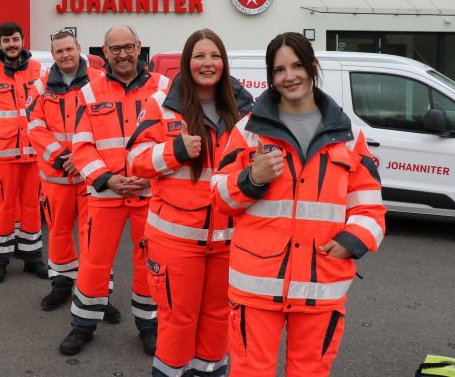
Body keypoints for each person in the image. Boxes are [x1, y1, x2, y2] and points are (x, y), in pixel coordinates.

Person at [210, 32, 386, 377]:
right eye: (279, 70)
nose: (289, 76)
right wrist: (252, 179)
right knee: (249, 372)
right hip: (256, 285)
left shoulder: (349, 134)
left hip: (322, 281)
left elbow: (370, 206)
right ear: (270, 78)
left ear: (313, 67)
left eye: (297, 65)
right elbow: (218, 197)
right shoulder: (249, 131)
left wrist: (353, 242)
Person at [127, 29, 252, 377]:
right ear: (187, 62)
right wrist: (174, 152)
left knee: (217, 320)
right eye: (199, 56)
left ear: (224, 63)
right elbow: (134, 159)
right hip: (177, 243)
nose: (207, 63)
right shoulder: (162, 105)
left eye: (214, 56)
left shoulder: (245, 110)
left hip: (228, 242)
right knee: (178, 321)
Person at [59, 25, 170, 356]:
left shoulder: (164, 88)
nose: (122, 54)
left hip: (149, 194)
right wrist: (107, 178)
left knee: (150, 262)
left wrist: (152, 176)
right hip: (106, 195)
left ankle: (149, 326)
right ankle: (83, 327)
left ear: (139, 47)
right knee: (94, 262)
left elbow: (174, 140)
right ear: (104, 53)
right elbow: (81, 146)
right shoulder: (89, 92)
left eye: (128, 47)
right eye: (115, 49)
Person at [27, 29, 104, 311]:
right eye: (59, 51)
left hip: (90, 177)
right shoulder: (40, 86)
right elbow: (35, 127)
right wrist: (62, 157)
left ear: (79, 48)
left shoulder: (99, 81)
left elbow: (105, 126)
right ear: (53, 54)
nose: (65, 55)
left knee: (93, 236)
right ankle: (61, 285)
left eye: (69, 49)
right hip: (56, 176)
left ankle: (96, 294)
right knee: (59, 233)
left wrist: (81, 158)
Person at [0, 22, 49, 283]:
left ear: (23, 40)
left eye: (16, 39)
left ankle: (33, 258)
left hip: (33, 155)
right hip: (0, 156)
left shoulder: (41, 72)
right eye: (6, 41)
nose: (12, 45)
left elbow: (49, 112)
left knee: (31, 207)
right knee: (3, 209)